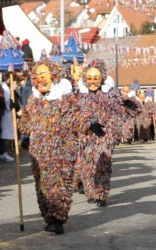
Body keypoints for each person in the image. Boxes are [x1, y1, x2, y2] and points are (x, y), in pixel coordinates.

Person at [18, 58, 103, 234]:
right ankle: (48, 216)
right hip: (38, 151)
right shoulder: (34, 100)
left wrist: (90, 123)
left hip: (62, 151)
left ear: (54, 77)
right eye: (36, 76)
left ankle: (57, 218)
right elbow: (25, 126)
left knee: (59, 184)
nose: (39, 79)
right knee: (42, 186)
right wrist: (18, 112)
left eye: (43, 75)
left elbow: (78, 116)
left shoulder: (66, 99)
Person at [74, 59, 139, 206]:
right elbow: (71, 114)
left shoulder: (112, 94)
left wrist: (131, 104)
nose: (92, 82)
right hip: (86, 136)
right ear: (84, 79)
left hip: (105, 136)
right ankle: (90, 191)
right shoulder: (78, 95)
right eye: (89, 78)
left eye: (96, 78)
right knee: (88, 166)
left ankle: (101, 194)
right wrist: (87, 124)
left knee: (103, 165)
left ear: (102, 78)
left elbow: (132, 108)